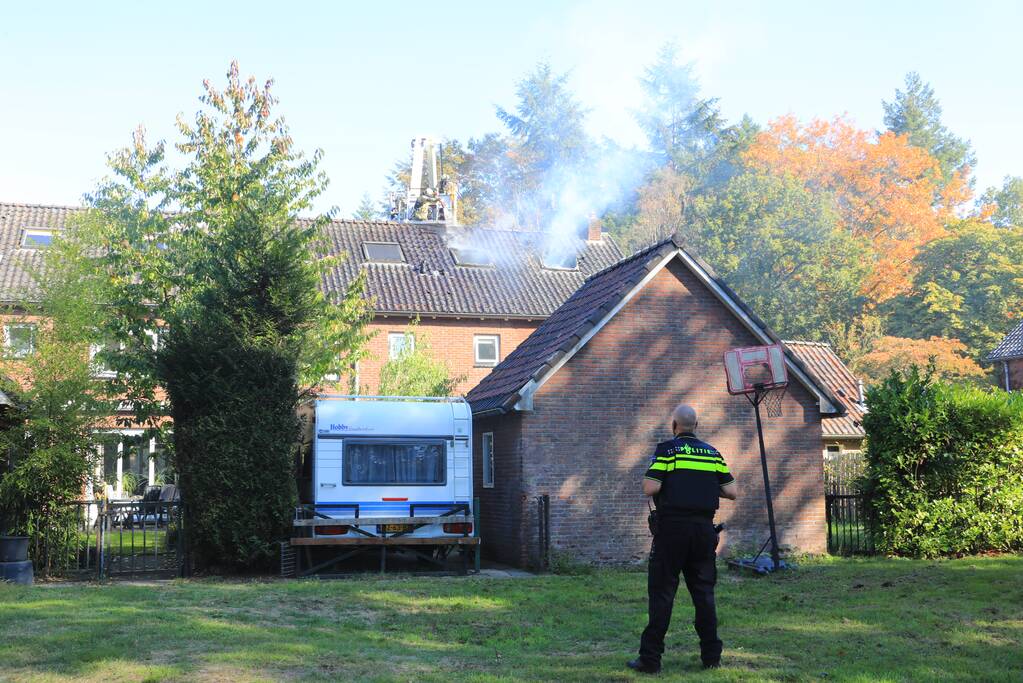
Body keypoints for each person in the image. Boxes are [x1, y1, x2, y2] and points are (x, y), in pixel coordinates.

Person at [628, 404, 737, 674]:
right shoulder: (712, 453)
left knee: (662, 594)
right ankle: (711, 656)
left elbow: (650, 487)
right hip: (703, 531)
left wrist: (675, 484)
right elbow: (731, 491)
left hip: (672, 531)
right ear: (696, 426)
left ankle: (650, 660)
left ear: (674, 425)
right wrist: (702, 487)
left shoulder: (667, 450)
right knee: (704, 594)